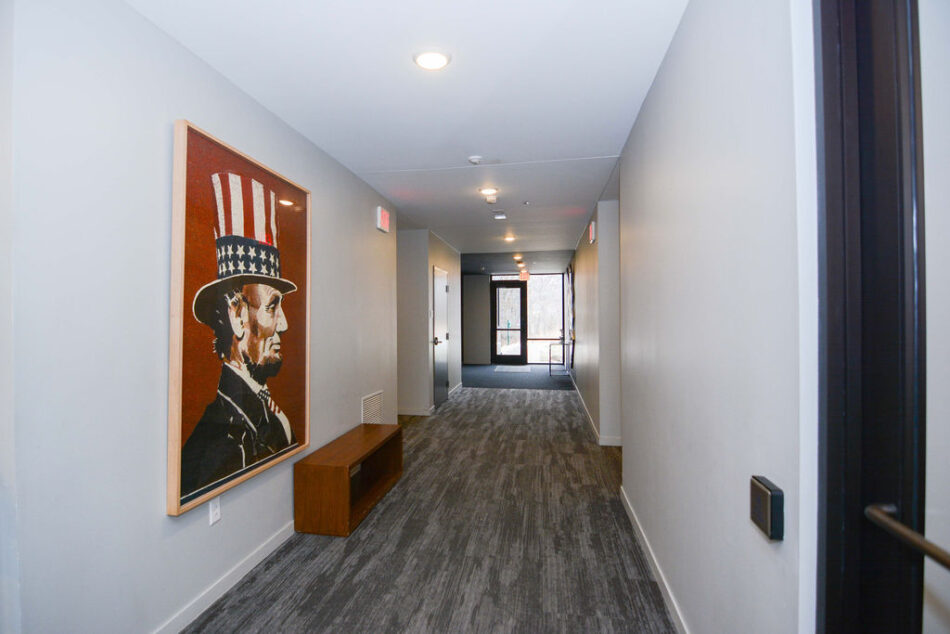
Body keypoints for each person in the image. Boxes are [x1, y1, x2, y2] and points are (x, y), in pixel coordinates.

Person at [181, 172, 298, 497]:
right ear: (236, 315)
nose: (284, 324)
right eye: (273, 306)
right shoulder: (222, 443)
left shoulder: (264, 413)